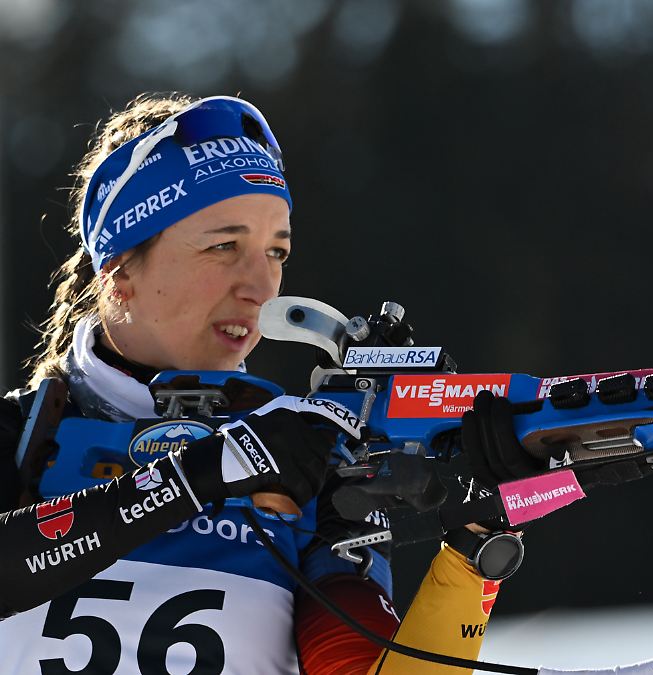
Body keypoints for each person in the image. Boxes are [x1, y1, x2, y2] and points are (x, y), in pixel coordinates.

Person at [0, 93, 521, 674]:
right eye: (224, 246)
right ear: (120, 271)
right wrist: (208, 471)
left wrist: (474, 549)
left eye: (277, 251)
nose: (260, 286)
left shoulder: (308, 450)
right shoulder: (18, 436)